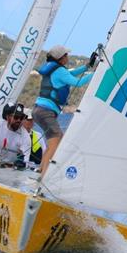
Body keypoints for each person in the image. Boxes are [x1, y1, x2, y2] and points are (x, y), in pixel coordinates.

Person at [33, 45, 95, 175]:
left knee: (52, 142)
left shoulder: (55, 69)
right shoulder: (59, 71)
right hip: (46, 112)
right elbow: (78, 82)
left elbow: (71, 74)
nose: (68, 56)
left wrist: (87, 66)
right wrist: (97, 73)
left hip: (38, 110)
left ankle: (40, 170)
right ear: (61, 58)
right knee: (56, 139)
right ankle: (44, 175)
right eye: (66, 55)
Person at [0, 103, 31, 169]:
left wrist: (22, 164)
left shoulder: (25, 136)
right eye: (16, 117)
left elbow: (26, 160)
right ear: (7, 117)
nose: (19, 120)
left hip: (12, 168)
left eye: (21, 118)